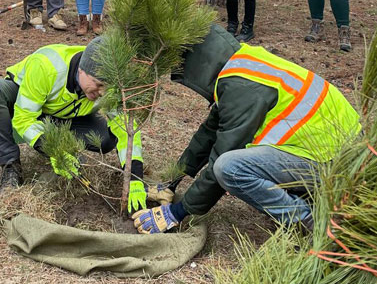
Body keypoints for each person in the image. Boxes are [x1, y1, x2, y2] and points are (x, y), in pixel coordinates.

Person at [131, 25, 361, 234]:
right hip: (335, 150)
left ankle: (310, 221)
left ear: (197, 63)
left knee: (229, 168)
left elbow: (223, 153)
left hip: (336, 163)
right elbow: (209, 133)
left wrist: (177, 212)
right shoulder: (242, 65)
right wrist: (171, 181)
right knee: (231, 162)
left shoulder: (241, 86)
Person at [0, 37, 147, 212]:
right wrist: (55, 150)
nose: (102, 93)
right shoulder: (46, 66)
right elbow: (24, 118)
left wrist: (135, 177)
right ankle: (10, 166)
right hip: (23, 101)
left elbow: (125, 127)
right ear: (82, 70)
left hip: (64, 114)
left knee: (105, 140)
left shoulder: (108, 75)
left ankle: (66, 146)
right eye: (98, 85)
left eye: (107, 87)